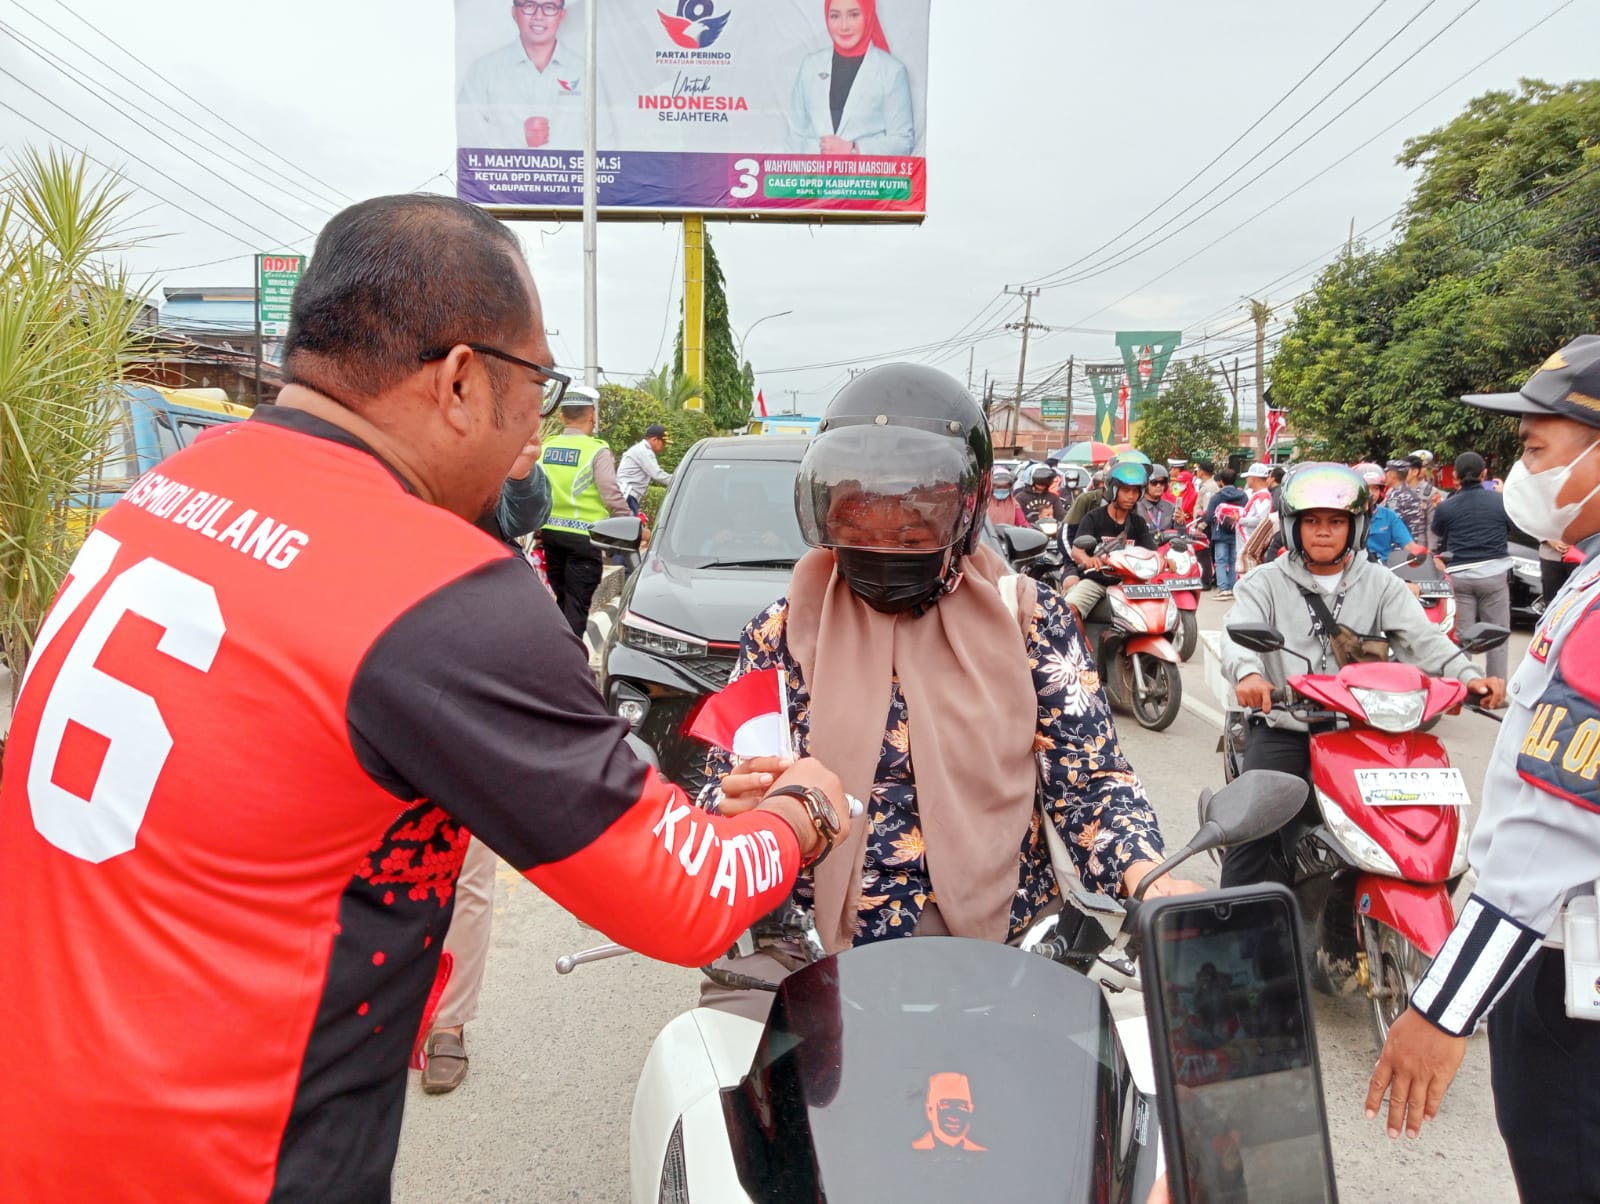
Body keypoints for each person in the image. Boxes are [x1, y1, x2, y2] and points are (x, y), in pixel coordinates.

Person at [0, 194, 850, 1202]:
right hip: (229, 1162)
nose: (536, 421)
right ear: (458, 380)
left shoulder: (173, 486)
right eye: (537, 384)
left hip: (43, 1119)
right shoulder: (436, 588)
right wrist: (802, 810)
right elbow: (683, 896)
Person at [694, 365, 1197, 1017]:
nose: (883, 550)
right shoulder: (780, 632)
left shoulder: (1030, 621)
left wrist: (1147, 877)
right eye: (860, 532)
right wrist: (731, 805)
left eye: (911, 535)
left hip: (1008, 955)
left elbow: (1091, 780)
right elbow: (721, 785)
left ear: (965, 515)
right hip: (811, 959)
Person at [1366, 337, 1600, 1198]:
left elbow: (1552, 832)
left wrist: (1444, 1007)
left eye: (1537, 450)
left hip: (1568, 977)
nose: (1520, 472)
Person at [1218, 464, 1504, 890]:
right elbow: (1238, 636)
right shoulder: (1264, 583)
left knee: (1430, 822)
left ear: (1355, 527)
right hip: (1287, 726)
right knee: (1252, 828)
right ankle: (1228, 923)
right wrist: (1249, 675)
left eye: (1336, 522)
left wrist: (1467, 676)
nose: (1323, 531)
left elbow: (1423, 640)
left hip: (1366, 730)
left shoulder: (1380, 582)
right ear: (1294, 526)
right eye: (1312, 521)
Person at [419, 439, 555, 1094]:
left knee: (466, 869)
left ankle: (448, 1023)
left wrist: (520, 471)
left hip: (465, 691)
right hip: (366, 684)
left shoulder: (474, 459)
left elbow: (522, 512)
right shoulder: (364, 465)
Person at [540, 385, 630, 635]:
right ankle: (569, 654)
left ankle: (557, 650)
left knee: (562, 600)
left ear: (561, 416)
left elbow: (535, 487)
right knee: (577, 605)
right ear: (592, 415)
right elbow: (610, 492)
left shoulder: (546, 447)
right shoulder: (596, 451)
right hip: (584, 540)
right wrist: (627, 523)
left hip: (551, 536)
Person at [787, 0, 915, 156]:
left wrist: (854, 149)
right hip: (814, 171)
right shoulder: (810, 65)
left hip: (863, 172)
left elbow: (903, 142)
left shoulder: (892, 71)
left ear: (868, 16)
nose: (844, 26)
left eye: (853, 15)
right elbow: (794, 136)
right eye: (835, 16)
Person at [457, 0, 581, 150]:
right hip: (502, 166)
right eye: (529, 5)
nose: (538, 16)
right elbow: (464, 132)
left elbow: (602, 141)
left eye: (549, 7)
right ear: (514, 12)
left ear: (561, 15)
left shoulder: (584, 72)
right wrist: (518, 136)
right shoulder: (483, 70)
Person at [1432, 450, 1513, 680]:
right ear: (1484, 474)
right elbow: (1514, 526)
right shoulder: (1501, 502)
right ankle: (1496, 687)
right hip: (1494, 576)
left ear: (1455, 476)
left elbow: (1438, 531)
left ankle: (1462, 686)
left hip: (1460, 578)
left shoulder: (1447, 507)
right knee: (1498, 635)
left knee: (1462, 637)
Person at [1065, 457, 1159, 621]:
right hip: (1097, 581)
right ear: (1113, 491)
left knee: (1156, 614)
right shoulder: (1093, 518)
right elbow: (1077, 550)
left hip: (1131, 584)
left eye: (1135, 491)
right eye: (1125, 491)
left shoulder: (1138, 523)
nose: (1131, 496)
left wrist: (1166, 560)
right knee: (1069, 612)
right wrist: (1088, 560)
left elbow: (1151, 552)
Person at [1354, 461, 1426, 562]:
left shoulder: (1388, 516)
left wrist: (1425, 556)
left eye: (1375, 488)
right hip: (1355, 568)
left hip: (1384, 568)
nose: (1371, 494)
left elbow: (1409, 545)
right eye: (1367, 488)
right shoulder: (1347, 517)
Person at [1205, 467, 1248, 598]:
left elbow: (1209, 517)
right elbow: (1246, 513)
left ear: (1221, 481)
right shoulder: (1243, 496)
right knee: (1234, 559)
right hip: (1236, 532)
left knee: (1221, 560)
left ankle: (1223, 588)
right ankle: (1233, 586)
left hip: (1220, 534)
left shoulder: (1217, 497)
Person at [616, 422, 673, 514]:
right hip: (628, 496)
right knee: (629, 523)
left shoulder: (641, 449)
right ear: (655, 439)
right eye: (663, 443)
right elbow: (657, 474)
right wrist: (678, 481)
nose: (664, 446)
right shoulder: (644, 451)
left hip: (627, 495)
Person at [1237, 462, 1275, 573]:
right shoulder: (1259, 495)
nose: (1247, 480)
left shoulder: (1263, 496)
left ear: (1253, 479)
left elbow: (1262, 520)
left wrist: (1240, 520)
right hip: (1249, 542)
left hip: (1252, 543)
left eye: (1248, 477)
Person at [1019, 463, 1069, 543]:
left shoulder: (1053, 498)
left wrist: (1066, 521)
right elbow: (1018, 517)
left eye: (1045, 483)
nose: (1042, 486)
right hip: (1028, 534)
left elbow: (1061, 515)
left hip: (1051, 534)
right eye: (1039, 483)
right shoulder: (1021, 498)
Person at [1384, 458, 1428, 547]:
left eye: (1387, 473)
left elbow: (1392, 524)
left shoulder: (1398, 496)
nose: (1385, 476)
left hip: (1400, 547)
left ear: (1392, 474)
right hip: (1408, 544)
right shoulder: (1409, 493)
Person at [1136, 464, 1180, 539]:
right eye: (1154, 482)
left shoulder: (1171, 507)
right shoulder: (1135, 507)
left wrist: (1180, 523)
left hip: (1166, 544)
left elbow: (1180, 535)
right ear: (1145, 484)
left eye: (1162, 482)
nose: (1158, 485)